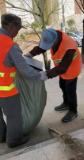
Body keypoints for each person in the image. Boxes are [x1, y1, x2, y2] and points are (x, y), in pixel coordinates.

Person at [0, 13, 48, 148]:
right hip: (4, 87)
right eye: (18, 28)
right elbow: (24, 69)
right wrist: (39, 76)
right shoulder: (9, 44)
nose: (18, 31)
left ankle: (1, 136)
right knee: (13, 114)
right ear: (10, 27)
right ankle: (14, 140)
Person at [25, 28, 82, 122]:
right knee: (62, 85)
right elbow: (42, 47)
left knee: (70, 90)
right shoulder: (51, 36)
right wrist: (30, 54)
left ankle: (73, 111)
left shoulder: (69, 46)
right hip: (61, 68)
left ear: (56, 40)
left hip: (72, 68)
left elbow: (63, 67)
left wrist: (47, 74)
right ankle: (66, 103)